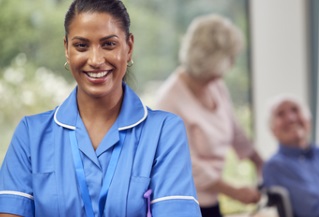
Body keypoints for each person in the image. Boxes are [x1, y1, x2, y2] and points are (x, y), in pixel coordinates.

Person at [0, 0, 201, 216]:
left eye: (108, 44)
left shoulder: (164, 132)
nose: (95, 60)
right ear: (67, 49)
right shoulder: (31, 135)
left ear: (129, 47)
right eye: (81, 46)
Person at [155, 14, 262, 217]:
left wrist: (257, 160)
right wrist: (235, 191)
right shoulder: (169, 101)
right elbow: (187, 164)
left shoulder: (216, 86)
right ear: (216, 60)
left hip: (210, 200)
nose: (232, 63)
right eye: (230, 57)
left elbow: (234, 130)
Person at [263, 94, 319, 217]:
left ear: (309, 120)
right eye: (280, 114)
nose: (291, 118)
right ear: (273, 129)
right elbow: (314, 212)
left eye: (295, 110)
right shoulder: (275, 166)